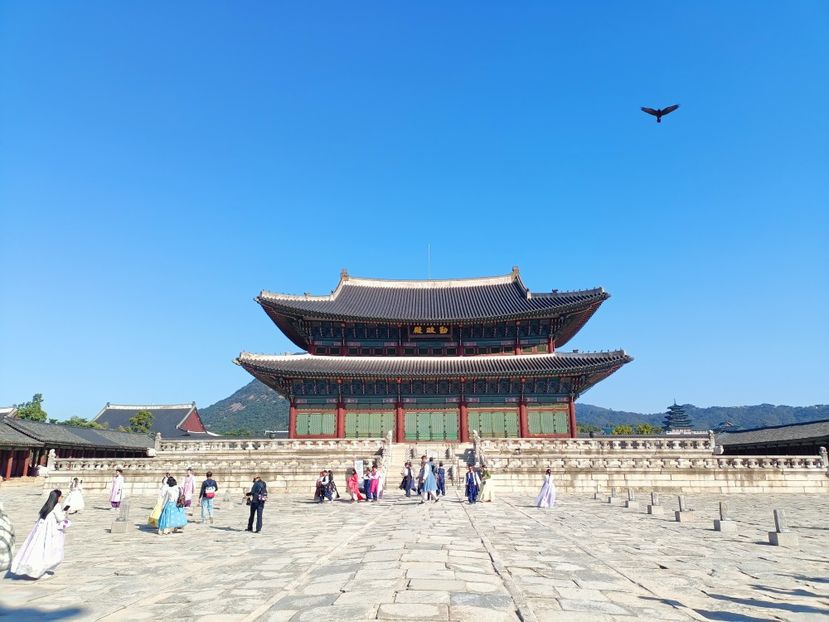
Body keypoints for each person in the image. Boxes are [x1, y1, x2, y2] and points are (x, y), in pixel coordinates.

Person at [9, 489, 70, 579]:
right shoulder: (56, 506)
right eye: (61, 496)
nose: (61, 498)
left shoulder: (47, 506)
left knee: (38, 549)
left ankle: (36, 569)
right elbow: (60, 519)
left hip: (41, 531)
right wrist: (64, 512)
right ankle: (42, 569)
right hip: (50, 532)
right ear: (57, 498)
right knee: (50, 550)